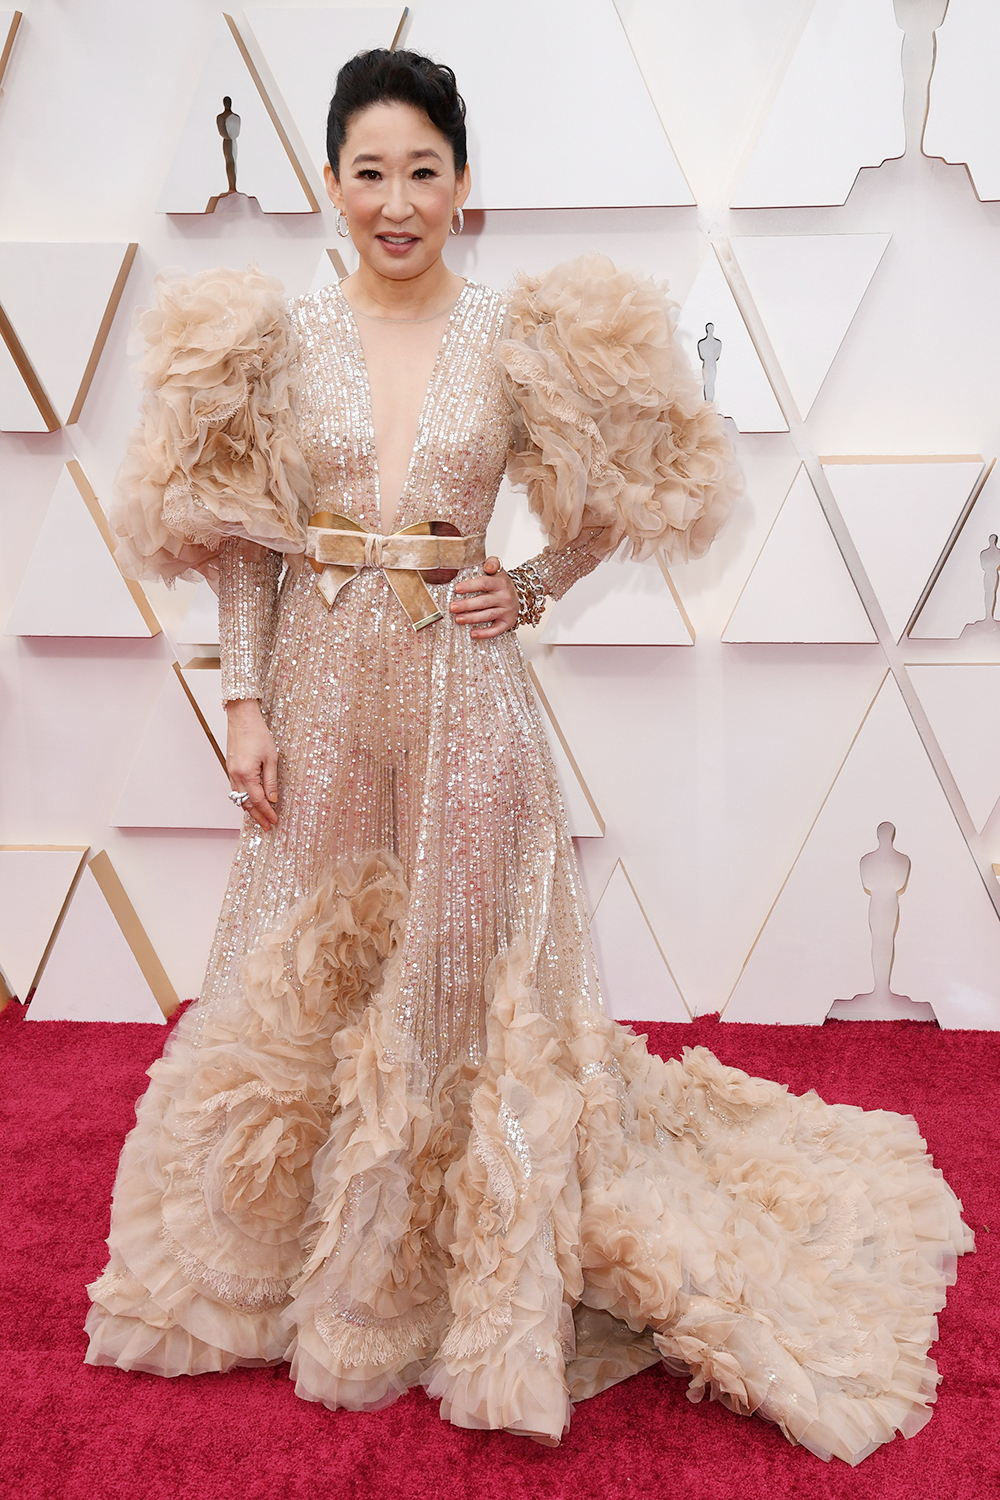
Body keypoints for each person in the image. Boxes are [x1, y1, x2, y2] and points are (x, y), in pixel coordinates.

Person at [86, 48, 972, 1463]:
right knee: (308, 971)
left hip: (464, 705)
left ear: (463, 185)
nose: (395, 201)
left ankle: (436, 1276)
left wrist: (537, 580)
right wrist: (243, 703)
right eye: (369, 172)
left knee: (454, 978)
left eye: (422, 172)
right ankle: (294, 1258)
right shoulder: (276, 340)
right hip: (319, 697)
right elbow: (246, 546)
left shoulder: (516, 334)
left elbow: (638, 485)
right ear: (332, 183)